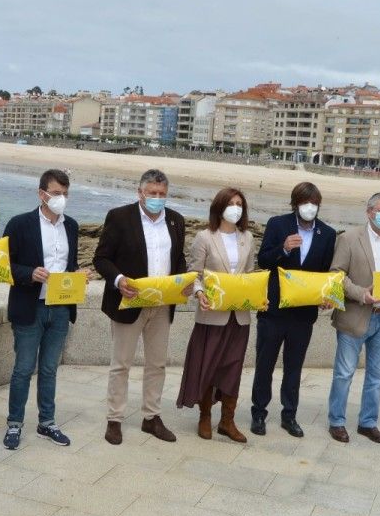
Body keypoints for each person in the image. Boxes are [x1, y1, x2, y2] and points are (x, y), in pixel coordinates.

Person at [94, 168, 191, 445]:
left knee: (157, 365)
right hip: (129, 302)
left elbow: (179, 259)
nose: (157, 198)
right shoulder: (119, 217)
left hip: (162, 304)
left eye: (162, 194)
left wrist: (183, 281)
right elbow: (101, 258)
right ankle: (114, 419)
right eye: (152, 193)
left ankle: (152, 417)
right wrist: (119, 279)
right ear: (140, 193)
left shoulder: (176, 220)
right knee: (121, 364)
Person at [1, 169, 82, 450]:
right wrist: (28, 273)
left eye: (65, 194)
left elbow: (69, 266)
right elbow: (2, 266)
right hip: (29, 307)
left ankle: (47, 422)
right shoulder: (19, 224)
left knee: (49, 369)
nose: (61, 199)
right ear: (42, 194)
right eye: (56, 193)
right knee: (23, 368)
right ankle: (14, 424)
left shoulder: (71, 226)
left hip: (60, 307)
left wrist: (79, 276)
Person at [249, 182, 336, 437]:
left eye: (314, 202)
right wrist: (284, 248)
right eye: (305, 202)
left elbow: (325, 273)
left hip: (303, 314)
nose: (310, 207)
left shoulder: (328, 234)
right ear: (295, 204)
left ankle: (289, 415)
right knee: (264, 364)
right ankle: (258, 413)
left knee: (294, 367)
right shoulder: (278, 224)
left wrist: (326, 296)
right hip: (273, 311)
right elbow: (264, 260)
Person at [327, 192, 380, 444]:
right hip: (356, 315)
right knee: (344, 373)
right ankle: (337, 421)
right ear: (369, 212)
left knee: (378, 374)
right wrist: (361, 294)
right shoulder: (349, 239)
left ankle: (368, 422)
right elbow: (337, 275)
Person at [177, 187, 257, 443]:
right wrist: (199, 293)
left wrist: (257, 295)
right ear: (219, 207)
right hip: (212, 315)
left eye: (239, 204)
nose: (236, 208)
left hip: (239, 316)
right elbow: (195, 274)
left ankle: (227, 420)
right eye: (231, 203)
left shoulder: (248, 237)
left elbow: (250, 274)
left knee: (233, 368)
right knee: (208, 366)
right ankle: (204, 416)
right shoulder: (204, 237)